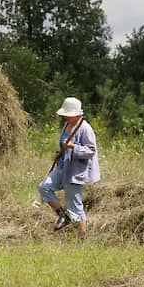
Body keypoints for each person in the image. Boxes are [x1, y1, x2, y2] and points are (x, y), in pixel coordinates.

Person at [38, 97, 100, 238]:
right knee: (44, 187)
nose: (66, 117)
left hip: (75, 171)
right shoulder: (66, 125)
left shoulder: (85, 129)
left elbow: (91, 150)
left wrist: (73, 146)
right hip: (62, 166)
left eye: (69, 115)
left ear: (77, 115)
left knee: (75, 205)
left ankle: (82, 237)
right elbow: (63, 145)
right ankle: (63, 217)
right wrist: (58, 154)